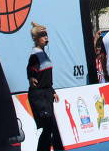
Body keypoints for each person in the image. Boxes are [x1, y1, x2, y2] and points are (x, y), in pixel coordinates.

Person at [26, 22, 64, 151]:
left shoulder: (43, 53)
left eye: (46, 35)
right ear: (36, 39)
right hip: (38, 96)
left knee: (53, 127)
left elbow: (46, 77)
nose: (46, 37)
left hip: (47, 93)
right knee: (48, 127)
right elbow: (30, 67)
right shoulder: (35, 54)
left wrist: (52, 91)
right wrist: (30, 76)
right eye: (42, 35)